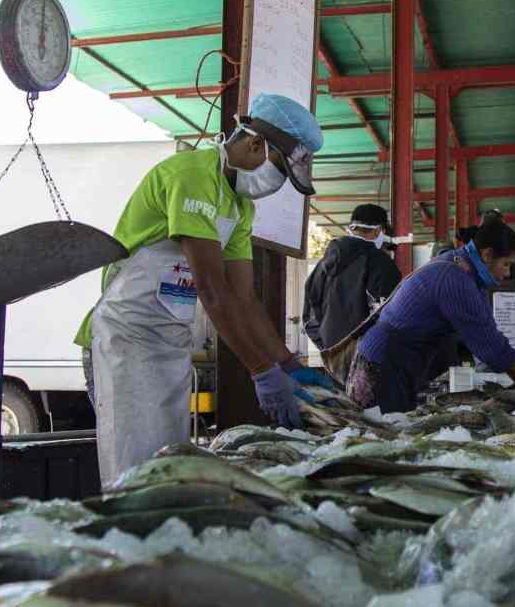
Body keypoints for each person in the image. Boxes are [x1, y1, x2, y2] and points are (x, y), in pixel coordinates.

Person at [74, 94, 336, 485]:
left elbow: (244, 299)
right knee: (133, 472)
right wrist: (262, 372)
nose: (278, 184)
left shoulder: (241, 208)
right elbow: (212, 289)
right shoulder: (193, 175)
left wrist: (289, 364)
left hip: (169, 342)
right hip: (125, 337)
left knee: (168, 468)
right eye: (280, 170)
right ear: (255, 144)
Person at [345, 221, 515, 413]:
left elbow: (490, 333)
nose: (508, 273)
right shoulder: (456, 278)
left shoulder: (464, 269)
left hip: (398, 362)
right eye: (506, 264)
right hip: (383, 364)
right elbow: (493, 350)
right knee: (387, 434)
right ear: (487, 255)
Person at [303, 204, 401, 378]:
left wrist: (329, 346)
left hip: (333, 358)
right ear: (378, 231)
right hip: (369, 358)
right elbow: (391, 315)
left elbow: (309, 312)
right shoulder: (381, 264)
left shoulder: (326, 261)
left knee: (342, 396)